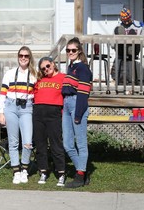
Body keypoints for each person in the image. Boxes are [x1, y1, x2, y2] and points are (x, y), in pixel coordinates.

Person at [0, 46, 37, 184]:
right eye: (21, 55)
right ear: (18, 56)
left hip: (26, 107)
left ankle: (25, 169)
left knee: (27, 142)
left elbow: (37, 95)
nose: (23, 58)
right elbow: (2, 94)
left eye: (26, 56)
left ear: (30, 57)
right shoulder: (9, 73)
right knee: (13, 142)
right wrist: (1, 112)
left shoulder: (34, 75)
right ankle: (16, 171)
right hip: (11, 107)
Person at [62, 37, 93, 188]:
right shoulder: (71, 67)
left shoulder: (83, 68)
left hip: (77, 105)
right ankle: (82, 171)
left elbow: (83, 93)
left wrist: (78, 114)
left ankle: (80, 176)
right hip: (67, 104)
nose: (70, 52)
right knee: (67, 144)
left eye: (73, 50)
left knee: (81, 143)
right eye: (68, 50)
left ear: (79, 51)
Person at [32, 56, 66, 186]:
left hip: (54, 113)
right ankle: (43, 171)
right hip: (38, 113)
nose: (46, 69)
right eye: (43, 68)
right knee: (40, 145)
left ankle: (61, 173)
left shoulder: (63, 77)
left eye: (47, 66)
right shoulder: (40, 80)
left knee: (56, 144)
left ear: (53, 64)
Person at [111, 7, 144, 83]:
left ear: (130, 17)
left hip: (134, 50)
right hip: (121, 51)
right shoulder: (118, 27)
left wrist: (137, 43)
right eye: (124, 21)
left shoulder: (139, 25)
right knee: (119, 32)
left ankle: (131, 81)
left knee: (132, 33)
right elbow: (112, 44)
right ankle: (121, 80)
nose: (126, 23)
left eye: (127, 20)